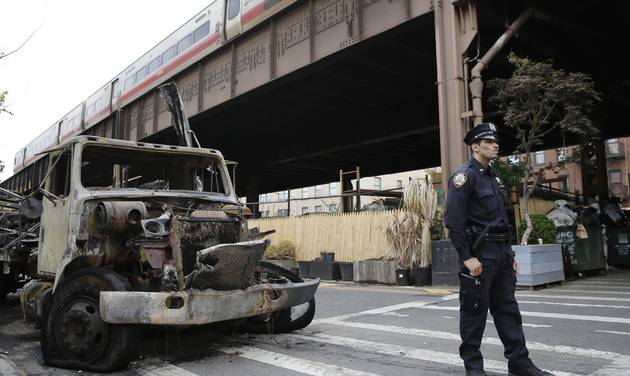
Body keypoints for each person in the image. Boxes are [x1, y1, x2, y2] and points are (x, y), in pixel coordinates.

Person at [444, 123, 553, 376]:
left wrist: (511, 255)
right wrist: (467, 257)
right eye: (489, 142)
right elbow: (454, 221)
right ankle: (474, 368)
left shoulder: (494, 177)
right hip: (480, 255)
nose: (495, 146)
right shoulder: (464, 177)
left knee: (508, 310)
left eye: (496, 142)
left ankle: (520, 363)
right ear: (474, 146)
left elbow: (502, 219)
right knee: (474, 314)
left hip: (501, 255)